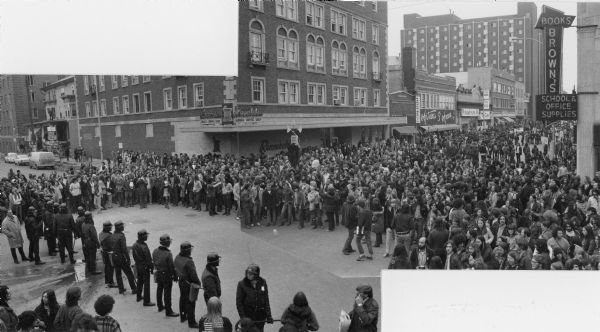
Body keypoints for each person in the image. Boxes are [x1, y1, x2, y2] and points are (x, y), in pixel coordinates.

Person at [236, 264, 273, 332]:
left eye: (251, 274)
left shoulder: (263, 282)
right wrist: (244, 319)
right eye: (247, 273)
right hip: (248, 319)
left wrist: (269, 315)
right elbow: (239, 304)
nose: (248, 275)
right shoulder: (242, 284)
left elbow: (266, 299)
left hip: (260, 318)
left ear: (256, 275)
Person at [174, 241, 201, 328]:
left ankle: (183, 316)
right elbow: (193, 275)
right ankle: (191, 322)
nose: (190, 251)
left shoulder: (177, 257)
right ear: (187, 251)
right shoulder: (189, 261)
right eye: (190, 249)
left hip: (181, 282)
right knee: (191, 302)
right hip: (189, 284)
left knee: (182, 299)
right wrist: (198, 283)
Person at [152, 234, 179, 317]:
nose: (170, 243)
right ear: (167, 243)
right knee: (167, 292)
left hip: (158, 273)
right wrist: (175, 276)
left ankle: (160, 306)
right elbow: (171, 266)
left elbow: (154, 261)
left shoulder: (155, 251)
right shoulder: (168, 254)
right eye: (169, 242)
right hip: (166, 274)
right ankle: (169, 310)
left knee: (159, 289)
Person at [110, 221, 137, 295]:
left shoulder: (112, 235)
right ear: (119, 227)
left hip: (114, 256)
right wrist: (128, 258)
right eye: (122, 226)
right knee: (129, 273)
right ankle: (134, 288)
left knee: (118, 273)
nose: (123, 227)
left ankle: (121, 289)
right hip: (121, 257)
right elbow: (124, 249)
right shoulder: (121, 236)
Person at [132, 229, 155, 306]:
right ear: (142, 237)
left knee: (140, 282)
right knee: (146, 284)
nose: (147, 237)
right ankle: (147, 301)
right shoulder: (144, 246)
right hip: (145, 267)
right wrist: (151, 267)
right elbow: (148, 259)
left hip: (138, 266)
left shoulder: (135, 245)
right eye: (146, 235)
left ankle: (138, 296)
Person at [99, 222, 117, 288]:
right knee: (111, 267)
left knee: (107, 267)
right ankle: (111, 282)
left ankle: (107, 281)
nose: (111, 227)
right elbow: (112, 245)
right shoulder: (108, 236)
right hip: (109, 253)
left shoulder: (101, 234)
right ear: (106, 227)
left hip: (104, 252)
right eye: (110, 226)